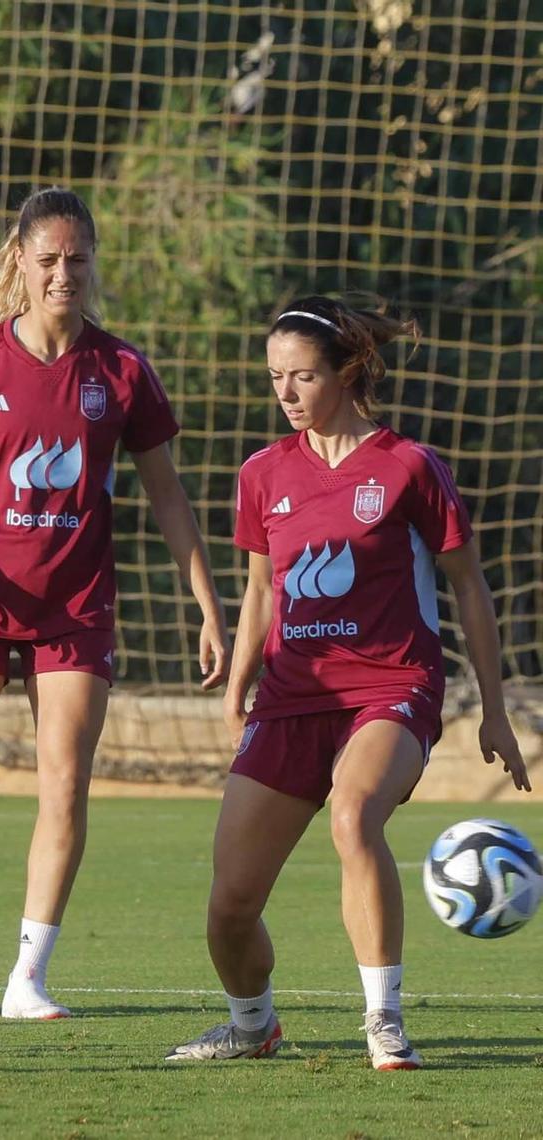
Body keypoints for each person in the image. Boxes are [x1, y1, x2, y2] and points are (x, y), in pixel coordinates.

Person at [0, 187, 229, 1019]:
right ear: (20, 265)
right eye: (49, 260)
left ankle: (31, 975)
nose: (64, 273)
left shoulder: (122, 371)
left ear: (91, 264)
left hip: (74, 605)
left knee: (64, 785)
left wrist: (208, 604)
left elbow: (167, 495)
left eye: (78, 259)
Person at [165, 296, 530, 1070]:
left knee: (354, 812)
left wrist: (495, 712)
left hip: (392, 687)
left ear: (349, 372)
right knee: (230, 908)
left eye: (302, 377)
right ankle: (251, 1024)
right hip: (295, 696)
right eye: (275, 378)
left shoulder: (408, 466)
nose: (286, 393)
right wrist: (241, 674)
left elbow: (469, 587)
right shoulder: (263, 472)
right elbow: (263, 588)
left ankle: (383, 1020)